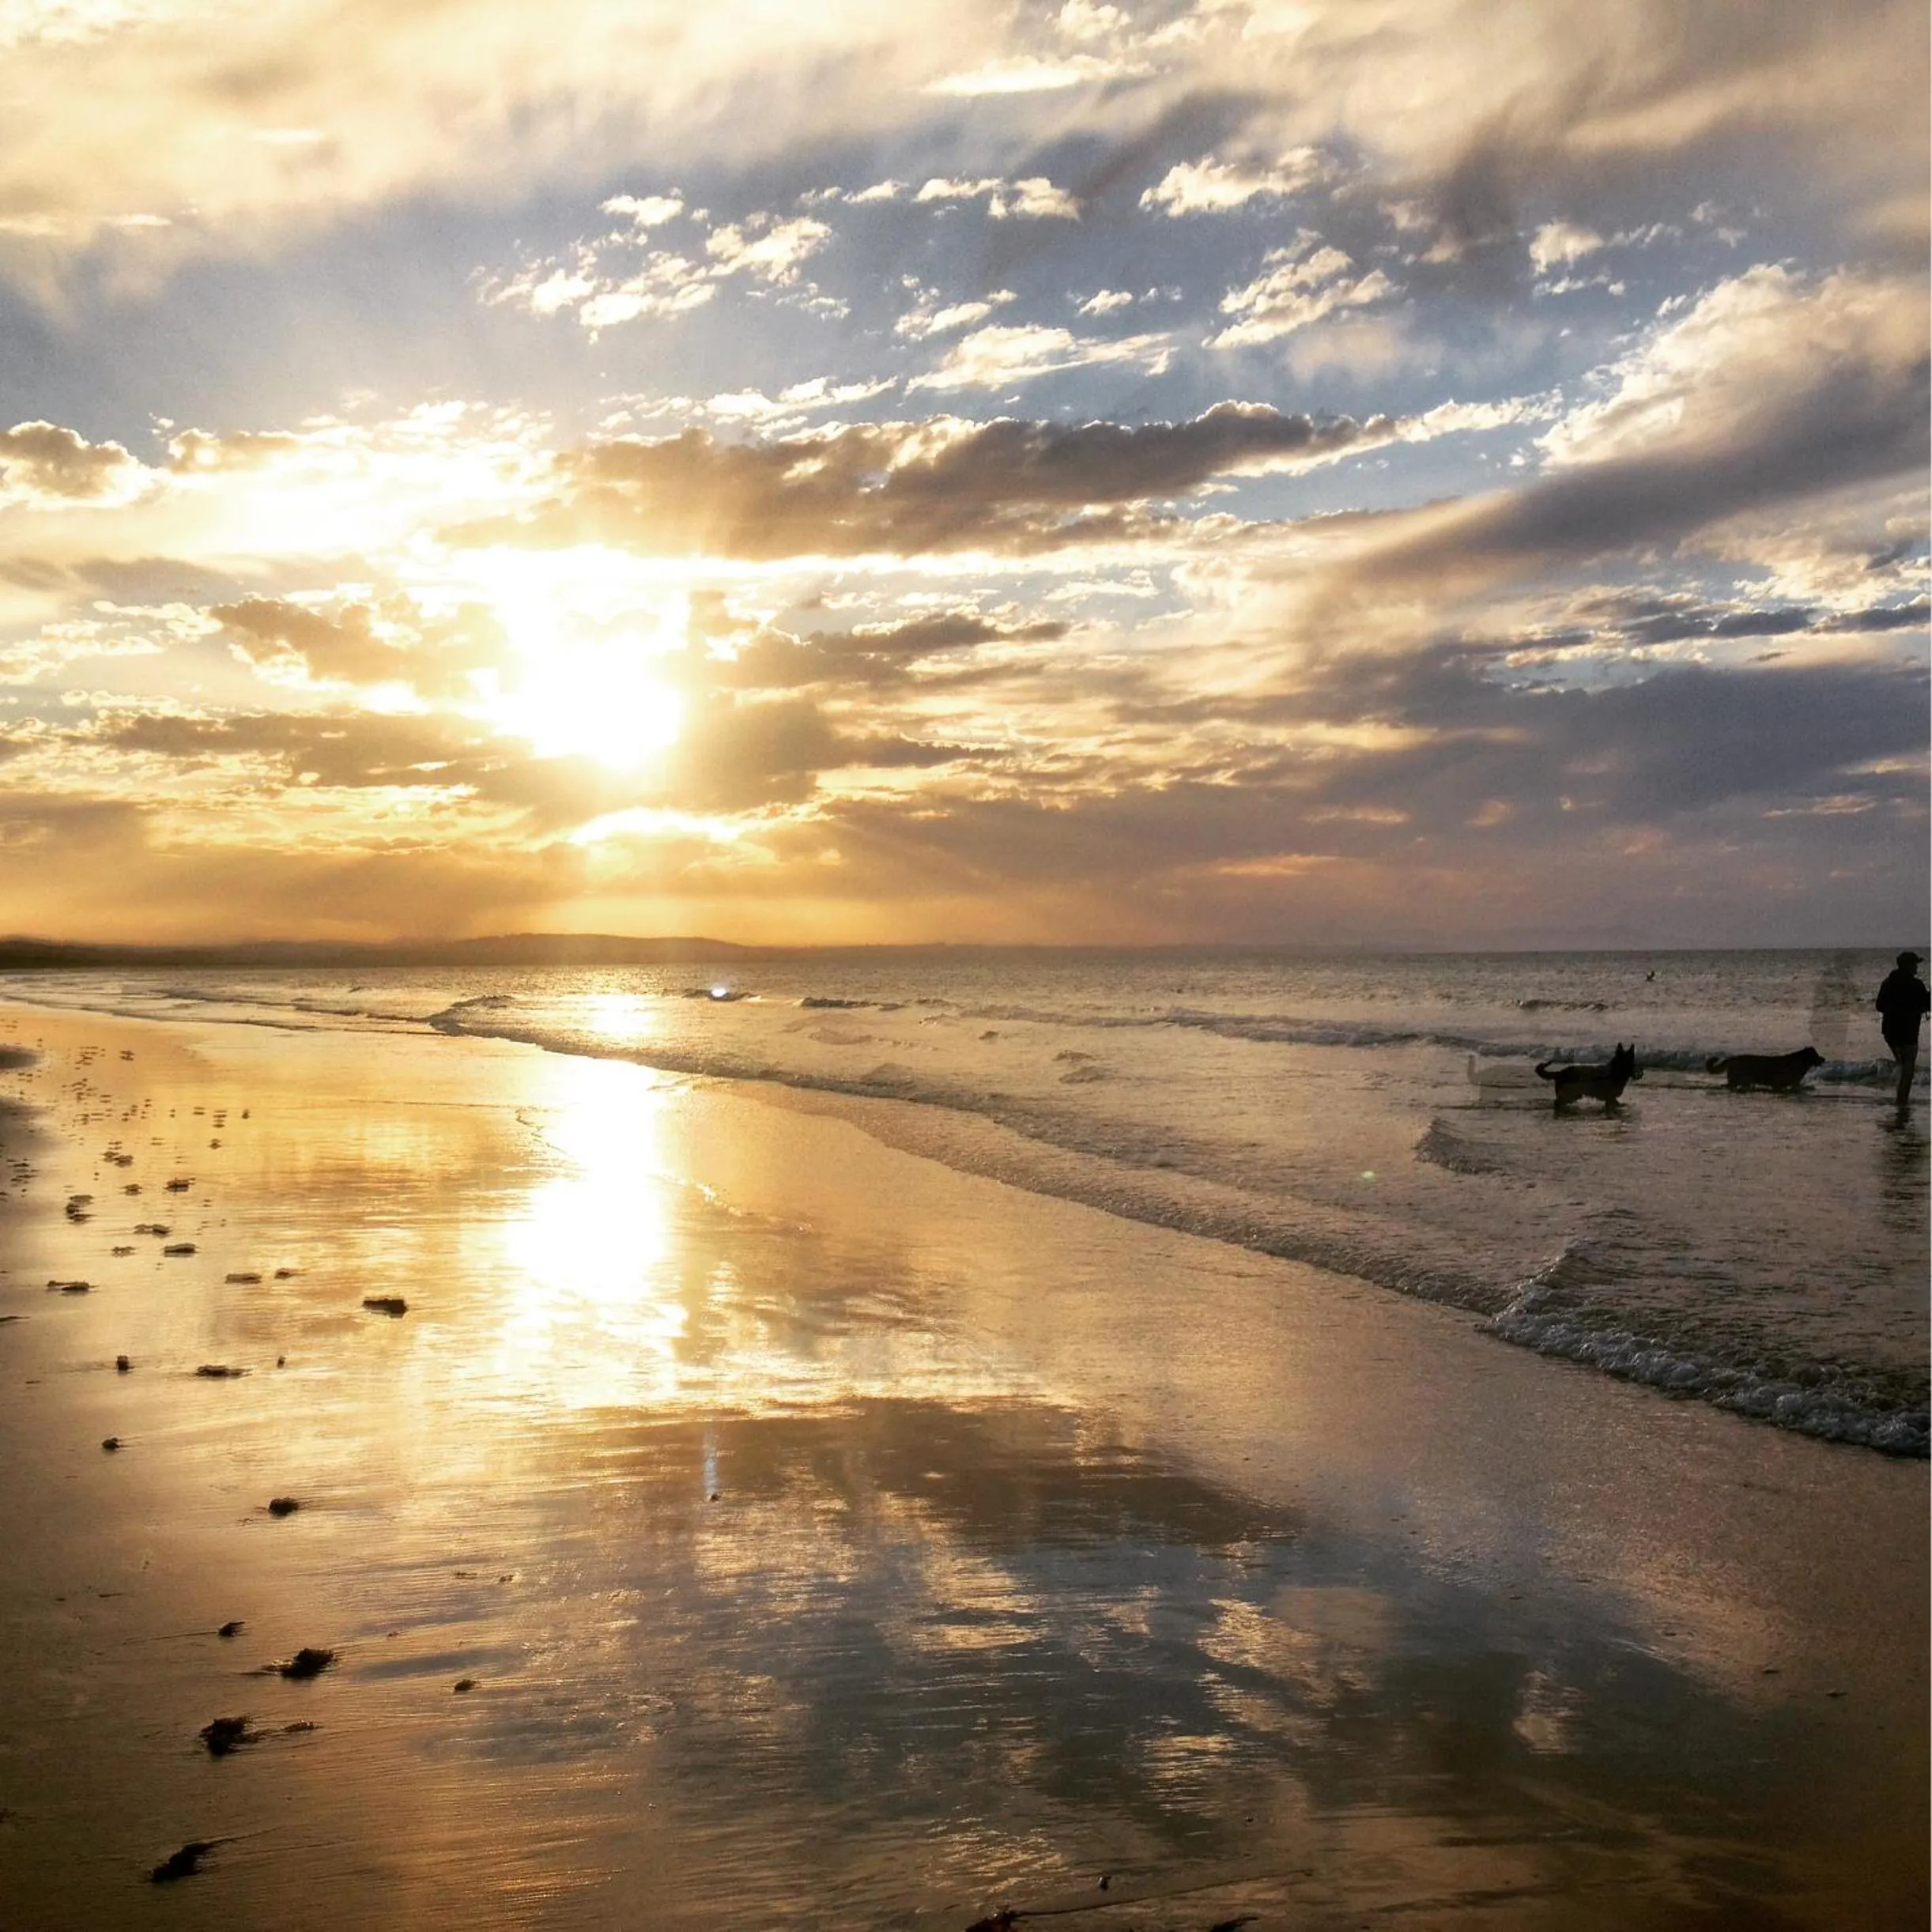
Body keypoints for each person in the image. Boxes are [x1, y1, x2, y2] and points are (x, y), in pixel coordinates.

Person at [1874, 950, 1929, 1114]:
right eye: (1915, 965)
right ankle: (1901, 1100)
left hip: (1890, 1032)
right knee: (1908, 1068)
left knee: (1903, 1065)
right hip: (1909, 1032)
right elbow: (1928, 1005)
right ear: (1909, 966)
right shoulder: (1916, 985)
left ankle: (1900, 1097)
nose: (1917, 968)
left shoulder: (1887, 983)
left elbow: (1879, 1007)